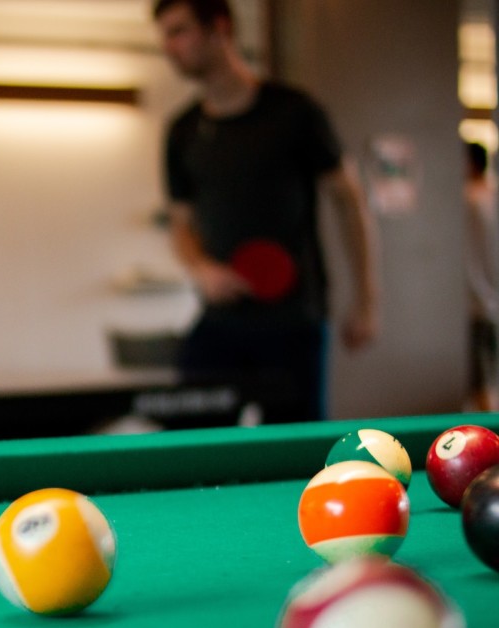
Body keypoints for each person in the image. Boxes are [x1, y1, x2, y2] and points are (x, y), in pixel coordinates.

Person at [153, 0, 380, 423]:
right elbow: (180, 225)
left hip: (294, 319)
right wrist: (201, 268)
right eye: (164, 35)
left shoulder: (294, 112)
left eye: (178, 31)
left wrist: (366, 302)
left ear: (219, 28)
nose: (168, 46)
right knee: (185, 430)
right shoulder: (181, 132)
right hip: (221, 320)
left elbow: (349, 202)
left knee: (297, 446)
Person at [464, 141, 499, 411]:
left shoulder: (468, 198)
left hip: (478, 304)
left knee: (482, 384)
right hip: (489, 303)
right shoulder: (490, 195)